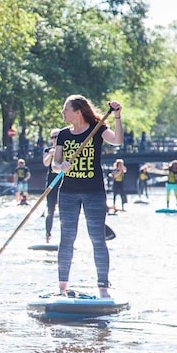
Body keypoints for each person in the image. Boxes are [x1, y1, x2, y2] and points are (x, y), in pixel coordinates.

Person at [52, 95, 123, 298]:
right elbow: (55, 164)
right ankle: (62, 287)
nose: (63, 113)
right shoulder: (63, 135)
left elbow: (117, 140)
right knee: (67, 238)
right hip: (68, 193)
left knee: (97, 239)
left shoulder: (97, 129)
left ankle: (103, 287)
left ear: (78, 111)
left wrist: (117, 116)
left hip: (94, 192)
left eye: (66, 109)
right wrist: (60, 166)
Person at [42, 129, 61, 243]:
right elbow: (45, 163)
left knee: (64, 210)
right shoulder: (48, 150)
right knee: (50, 209)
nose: (54, 139)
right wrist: (51, 155)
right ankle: (47, 235)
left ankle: (65, 236)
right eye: (52, 137)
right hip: (51, 182)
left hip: (63, 181)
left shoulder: (65, 149)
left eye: (57, 137)